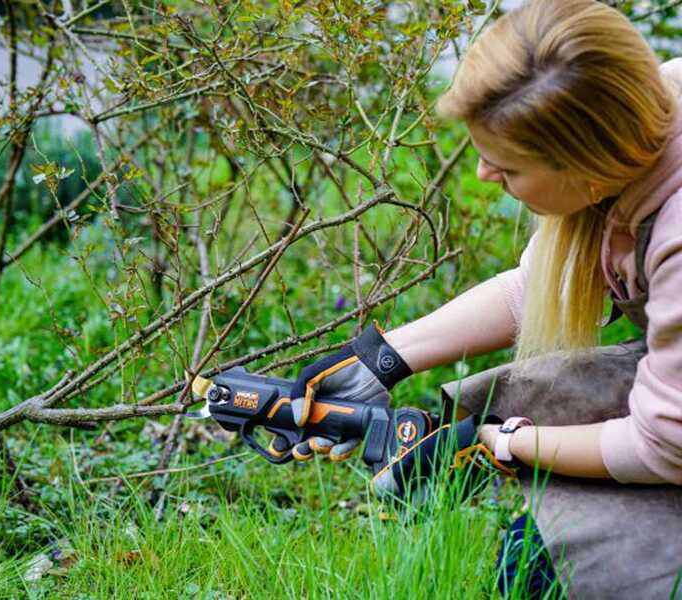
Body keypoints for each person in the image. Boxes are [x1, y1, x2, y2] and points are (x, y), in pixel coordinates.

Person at [274, 1, 682, 598]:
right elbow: (539, 286)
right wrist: (379, 361)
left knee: (581, 574)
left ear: (589, 167)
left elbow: (663, 444)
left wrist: (507, 442)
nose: (486, 173)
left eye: (508, 166)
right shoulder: (649, 106)